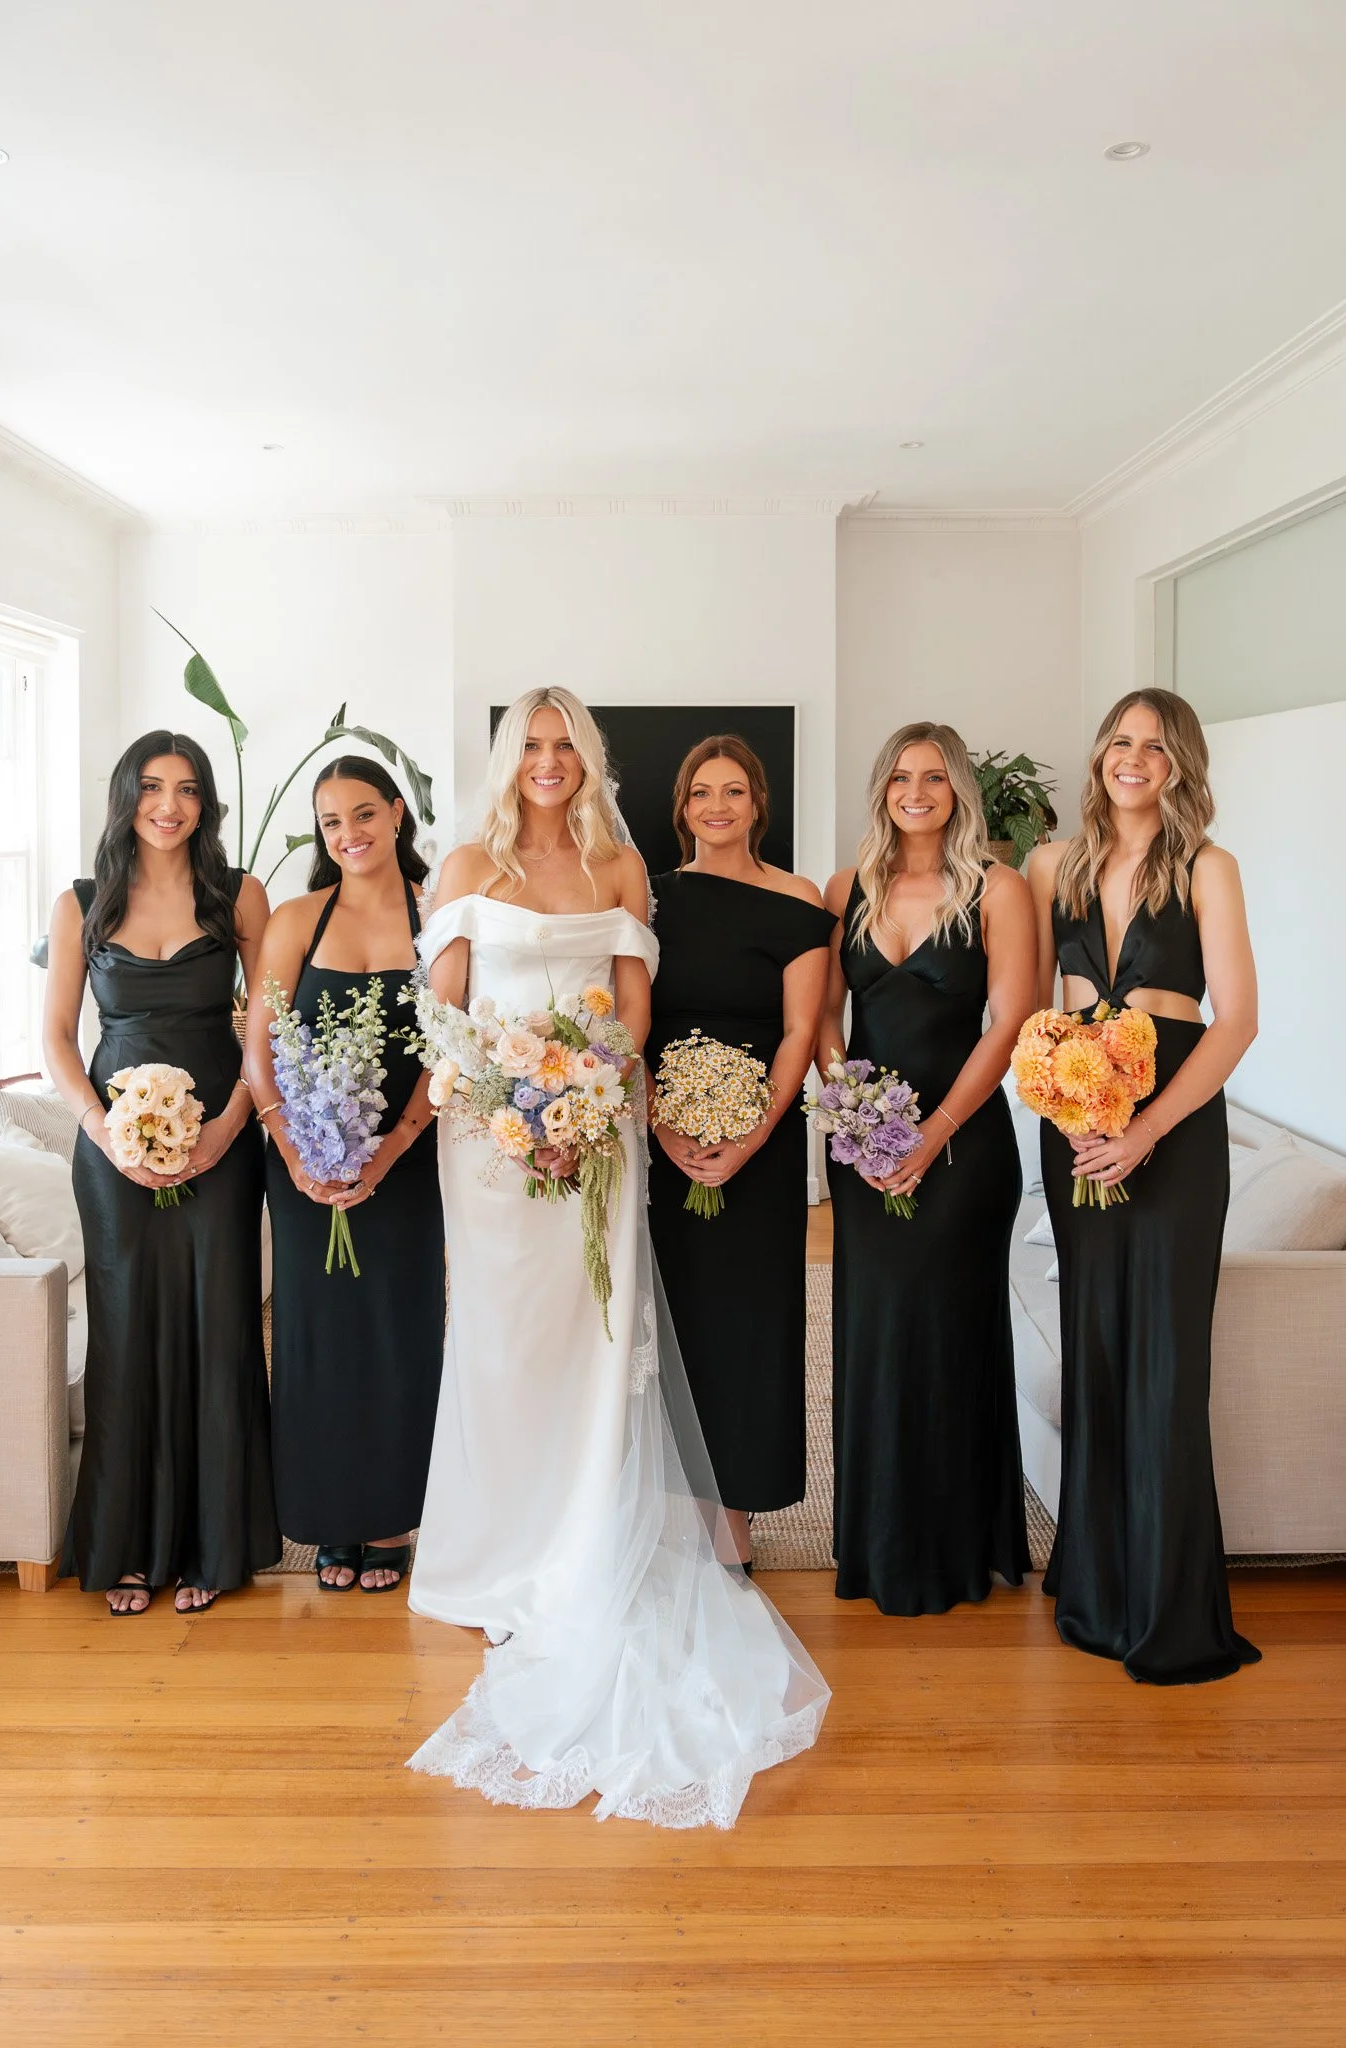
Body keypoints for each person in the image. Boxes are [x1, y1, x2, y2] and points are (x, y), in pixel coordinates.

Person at [406, 687, 829, 1827]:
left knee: (596, 1343)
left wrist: (585, 1091)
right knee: (504, 1347)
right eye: (531, 747)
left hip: (596, 1135)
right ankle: (504, 1545)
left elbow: (634, 1016)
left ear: (589, 760)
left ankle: (590, 1533)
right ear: (511, 760)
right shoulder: (461, 867)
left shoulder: (622, 869)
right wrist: (511, 1089)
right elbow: (439, 1017)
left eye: (565, 746)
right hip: (493, 1148)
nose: (549, 762)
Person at [1027, 689, 1261, 1683]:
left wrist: (1150, 1128)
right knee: (1098, 1350)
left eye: (1156, 746)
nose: (1134, 758)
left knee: (1165, 1361)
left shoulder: (1209, 866)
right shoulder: (1051, 864)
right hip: (1078, 1121)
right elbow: (1031, 1006)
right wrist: (1065, 1104)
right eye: (1121, 740)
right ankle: (1094, 1587)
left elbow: (1236, 1020)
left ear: (1181, 764)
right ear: (1099, 755)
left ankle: (1167, 1609)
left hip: (1171, 1131)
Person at [43, 731, 279, 1615]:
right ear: (126, 796)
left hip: (221, 1138)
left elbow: (266, 1032)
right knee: (127, 1328)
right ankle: (130, 1548)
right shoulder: (81, 903)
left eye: (186, 789)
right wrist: (107, 1133)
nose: (168, 805)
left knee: (221, 1328)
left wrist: (225, 1129)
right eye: (152, 787)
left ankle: (216, 1551)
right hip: (113, 1153)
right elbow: (57, 1039)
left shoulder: (241, 895)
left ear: (205, 803)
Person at [820, 721, 1035, 1615]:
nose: (917, 791)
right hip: (864, 1150)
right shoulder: (847, 888)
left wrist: (932, 1131)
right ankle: (876, 1547)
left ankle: (951, 1553)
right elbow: (825, 1019)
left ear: (958, 792)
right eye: (902, 776)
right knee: (876, 1335)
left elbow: (1013, 1017)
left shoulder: (998, 885)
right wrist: (857, 1121)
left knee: (946, 1337)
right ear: (882, 788)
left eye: (935, 777)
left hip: (964, 1147)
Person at [245, 757, 443, 1593]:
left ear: (397, 813)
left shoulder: (441, 916)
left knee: (400, 1331)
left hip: (411, 1156)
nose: (349, 834)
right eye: (331, 823)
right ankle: (330, 1519)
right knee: (317, 1335)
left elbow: (455, 1045)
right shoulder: (297, 918)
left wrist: (392, 1144)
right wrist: (295, 1153)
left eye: (364, 814)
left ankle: (392, 1516)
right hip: (304, 1168)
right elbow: (261, 1046)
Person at [647, 736, 834, 1569]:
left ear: (759, 803)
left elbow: (801, 1029)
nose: (716, 807)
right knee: (671, 1325)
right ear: (681, 807)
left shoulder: (795, 899)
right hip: (661, 1144)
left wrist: (754, 1132)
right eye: (699, 793)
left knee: (752, 1327)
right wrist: (664, 1126)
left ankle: (734, 1523)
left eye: (733, 792)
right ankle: (671, 1507)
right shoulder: (645, 902)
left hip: (761, 1148)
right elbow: (627, 1027)